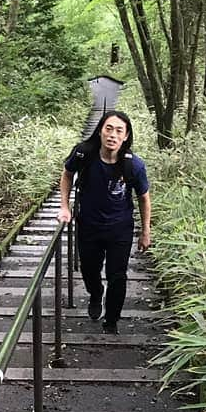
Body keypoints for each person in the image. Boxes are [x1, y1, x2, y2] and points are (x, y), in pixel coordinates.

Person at [57, 110, 151, 334]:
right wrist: (64, 206)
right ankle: (96, 292)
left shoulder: (134, 165)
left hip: (120, 228)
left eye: (119, 131)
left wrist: (145, 231)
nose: (113, 135)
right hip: (88, 225)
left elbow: (144, 198)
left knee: (117, 275)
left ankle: (111, 320)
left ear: (126, 136)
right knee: (90, 270)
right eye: (109, 129)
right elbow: (67, 174)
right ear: (100, 130)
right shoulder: (83, 154)